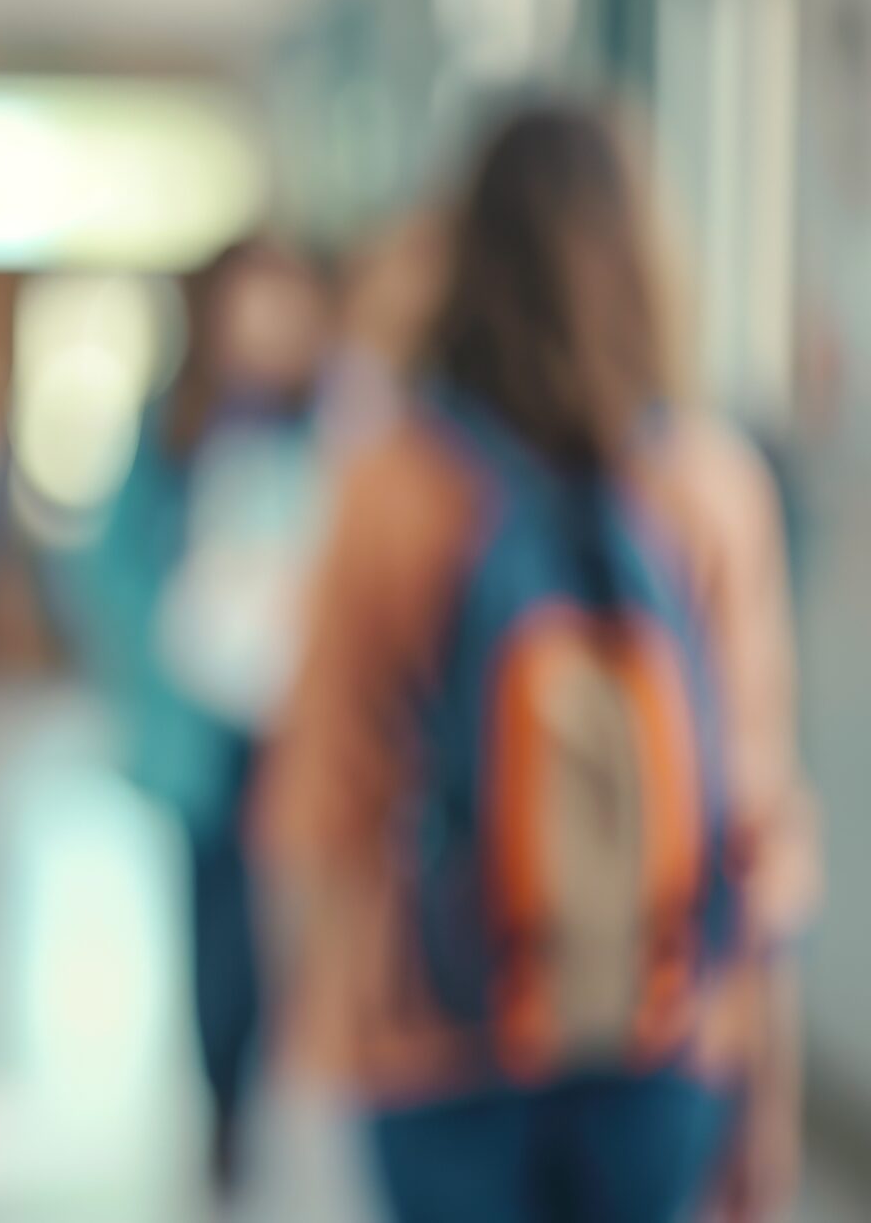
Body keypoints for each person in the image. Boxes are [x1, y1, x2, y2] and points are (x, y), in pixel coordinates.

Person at [259, 101, 818, 1223]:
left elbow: (323, 803)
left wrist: (322, 1041)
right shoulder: (712, 489)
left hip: (433, 1028)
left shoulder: (390, 489)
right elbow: (755, 815)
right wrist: (771, 1093)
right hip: (664, 1025)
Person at [62, 235, 332, 1195]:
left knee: (299, 928)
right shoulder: (175, 425)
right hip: (203, 727)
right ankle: (226, 1101)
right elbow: (112, 562)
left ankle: (288, 1099)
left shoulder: (342, 425)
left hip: (306, 723)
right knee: (215, 926)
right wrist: (171, 634)